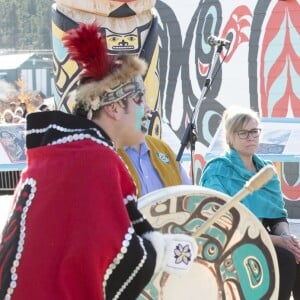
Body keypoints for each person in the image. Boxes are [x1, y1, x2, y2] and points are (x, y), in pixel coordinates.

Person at [0, 23, 197, 300]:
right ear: (115, 107)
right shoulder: (95, 159)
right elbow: (116, 255)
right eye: (140, 99)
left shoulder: (58, 154)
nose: (148, 109)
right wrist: (160, 251)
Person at [199, 106, 300, 300]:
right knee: (285, 259)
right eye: (243, 133)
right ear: (230, 137)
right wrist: (279, 242)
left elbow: (277, 216)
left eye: (254, 131)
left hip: (264, 239)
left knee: (296, 254)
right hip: (230, 242)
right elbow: (223, 221)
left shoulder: (266, 170)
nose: (250, 137)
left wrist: (287, 237)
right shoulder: (217, 169)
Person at [118, 105, 191, 197]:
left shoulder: (163, 148)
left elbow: (189, 198)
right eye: (138, 101)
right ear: (114, 109)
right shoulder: (108, 155)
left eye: (145, 101)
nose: (148, 109)